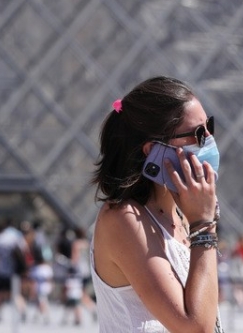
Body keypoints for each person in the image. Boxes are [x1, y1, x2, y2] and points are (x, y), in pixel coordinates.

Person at [91, 76, 223, 332]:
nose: (209, 140)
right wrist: (204, 225)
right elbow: (195, 327)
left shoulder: (181, 216)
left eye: (209, 127)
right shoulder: (123, 218)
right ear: (155, 151)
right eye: (198, 133)